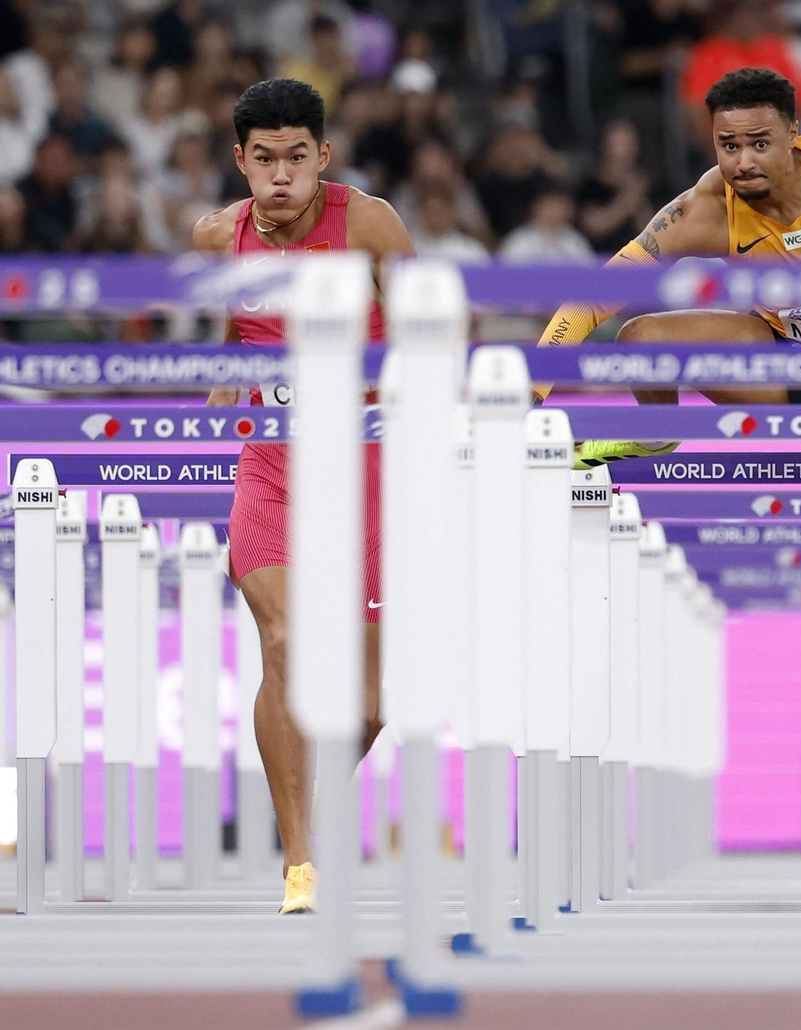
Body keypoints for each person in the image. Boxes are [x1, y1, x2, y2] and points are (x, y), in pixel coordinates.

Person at [534, 67, 801, 634]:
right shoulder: (707, 208)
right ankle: (657, 431)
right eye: (728, 145)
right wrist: (533, 387)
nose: (743, 161)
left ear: (794, 132)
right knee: (640, 339)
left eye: (760, 144)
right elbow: (600, 294)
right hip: (782, 355)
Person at [190, 78, 413, 915]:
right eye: (263, 160)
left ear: (322, 157)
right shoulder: (217, 239)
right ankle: (299, 859)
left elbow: (433, 327)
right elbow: (226, 343)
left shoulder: (369, 223)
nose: (280, 176)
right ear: (240, 161)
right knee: (283, 642)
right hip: (273, 463)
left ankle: (304, 801)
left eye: (296, 158)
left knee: (373, 698)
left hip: (372, 467)